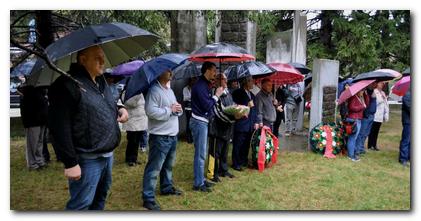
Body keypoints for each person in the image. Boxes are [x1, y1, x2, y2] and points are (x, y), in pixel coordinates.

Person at [48, 45, 129, 210]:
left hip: (107, 155)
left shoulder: (100, 81)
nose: (102, 61)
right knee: (81, 205)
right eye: (97, 58)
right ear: (82, 59)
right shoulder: (67, 85)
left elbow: (107, 103)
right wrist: (70, 163)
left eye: (103, 57)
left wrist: (119, 108)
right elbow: (59, 126)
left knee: (100, 199)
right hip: (87, 158)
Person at [142, 70, 183, 210]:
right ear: (159, 73)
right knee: (154, 168)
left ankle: (166, 187)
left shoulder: (169, 90)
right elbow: (150, 111)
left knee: (168, 166)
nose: (171, 72)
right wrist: (169, 110)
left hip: (172, 135)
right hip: (160, 136)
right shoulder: (154, 90)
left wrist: (178, 109)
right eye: (167, 70)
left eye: (171, 70)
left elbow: (174, 107)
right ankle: (148, 198)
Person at [190, 61, 224, 192]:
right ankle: (198, 184)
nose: (215, 74)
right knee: (200, 154)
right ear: (207, 71)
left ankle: (201, 179)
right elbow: (207, 105)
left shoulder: (205, 84)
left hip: (202, 121)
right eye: (214, 71)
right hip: (199, 122)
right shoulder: (199, 86)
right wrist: (217, 95)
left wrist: (215, 93)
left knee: (202, 153)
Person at [207, 73, 238, 182]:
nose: (226, 81)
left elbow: (232, 105)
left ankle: (223, 170)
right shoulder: (214, 93)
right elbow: (217, 111)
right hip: (216, 127)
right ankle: (212, 173)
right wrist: (232, 119)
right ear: (218, 80)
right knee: (215, 151)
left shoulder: (228, 92)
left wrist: (238, 110)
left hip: (227, 127)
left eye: (226, 79)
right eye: (224, 79)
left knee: (225, 150)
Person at [19, 85, 48, 170]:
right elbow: (26, 108)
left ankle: (39, 161)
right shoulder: (28, 90)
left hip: (42, 120)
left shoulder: (41, 89)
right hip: (32, 121)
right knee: (32, 144)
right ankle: (32, 164)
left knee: (40, 142)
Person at [231, 76, 258, 171]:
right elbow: (235, 107)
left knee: (246, 144)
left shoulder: (252, 95)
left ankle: (243, 161)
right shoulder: (237, 93)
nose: (253, 83)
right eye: (251, 81)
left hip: (250, 124)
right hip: (241, 123)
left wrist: (256, 122)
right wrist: (246, 106)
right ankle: (236, 163)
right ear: (246, 82)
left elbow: (255, 110)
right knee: (238, 143)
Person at [122, 93, 148, 166]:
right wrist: (137, 97)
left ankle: (134, 159)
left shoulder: (140, 93)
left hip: (140, 121)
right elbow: (130, 104)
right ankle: (129, 159)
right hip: (132, 122)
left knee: (137, 142)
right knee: (132, 141)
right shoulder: (126, 93)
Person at [346, 90, 369, 162]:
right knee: (352, 137)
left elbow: (367, 103)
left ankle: (352, 153)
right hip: (354, 119)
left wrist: (366, 94)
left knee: (354, 137)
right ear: (358, 91)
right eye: (362, 91)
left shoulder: (360, 97)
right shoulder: (353, 97)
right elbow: (352, 107)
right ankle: (351, 155)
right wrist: (362, 106)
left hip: (358, 119)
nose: (362, 92)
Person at [355, 82, 377, 155]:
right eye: (373, 84)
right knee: (362, 133)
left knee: (366, 133)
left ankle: (361, 147)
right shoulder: (365, 92)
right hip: (366, 115)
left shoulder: (372, 92)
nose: (375, 85)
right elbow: (365, 104)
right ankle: (358, 149)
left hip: (371, 115)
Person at [368, 81, 389, 151]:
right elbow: (374, 102)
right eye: (380, 83)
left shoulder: (383, 93)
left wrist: (386, 113)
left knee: (377, 131)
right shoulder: (374, 91)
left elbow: (386, 104)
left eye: (383, 84)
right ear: (377, 84)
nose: (382, 85)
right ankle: (370, 145)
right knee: (372, 131)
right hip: (375, 114)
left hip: (380, 115)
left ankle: (374, 144)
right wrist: (382, 99)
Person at [399, 87, 411, 167]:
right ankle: (403, 158)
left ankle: (409, 156)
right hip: (408, 121)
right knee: (406, 140)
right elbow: (409, 107)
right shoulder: (407, 94)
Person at [183, 77, 196, 143]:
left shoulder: (194, 88)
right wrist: (191, 96)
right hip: (188, 108)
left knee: (193, 123)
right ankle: (188, 139)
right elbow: (185, 98)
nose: (193, 83)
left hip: (194, 108)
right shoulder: (185, 88)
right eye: (192, 81)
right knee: (188, 123)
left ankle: (193, 138)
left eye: (194, 81)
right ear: (189, 82)